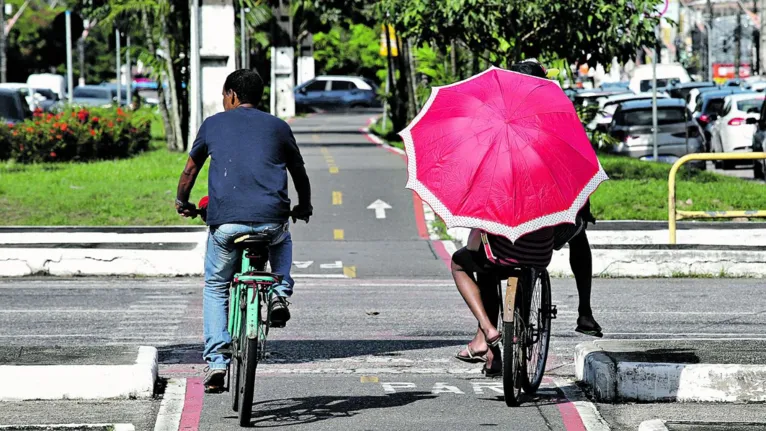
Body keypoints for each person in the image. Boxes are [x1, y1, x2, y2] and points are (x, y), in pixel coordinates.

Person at [454, 60, 602, 374]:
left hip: (505, 236)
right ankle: (585, 311)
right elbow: (581, 178)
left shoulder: (493, 129)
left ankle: (487, 336)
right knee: (578, 232)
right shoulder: (556, 126)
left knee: (484, 258)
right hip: (547, 237)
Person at [175, 69, 313, 392]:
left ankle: (217, 362)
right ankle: (279, 294)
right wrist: (303, 207)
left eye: (225, 96)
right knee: (283, 238)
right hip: (271, 222)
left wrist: (183, 201)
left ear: (232, 96)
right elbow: (300, 174)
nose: (224, 102)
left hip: (225, 226)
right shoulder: (279, 127)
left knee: (216, 286)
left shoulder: (212, 125)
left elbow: (189, 170)